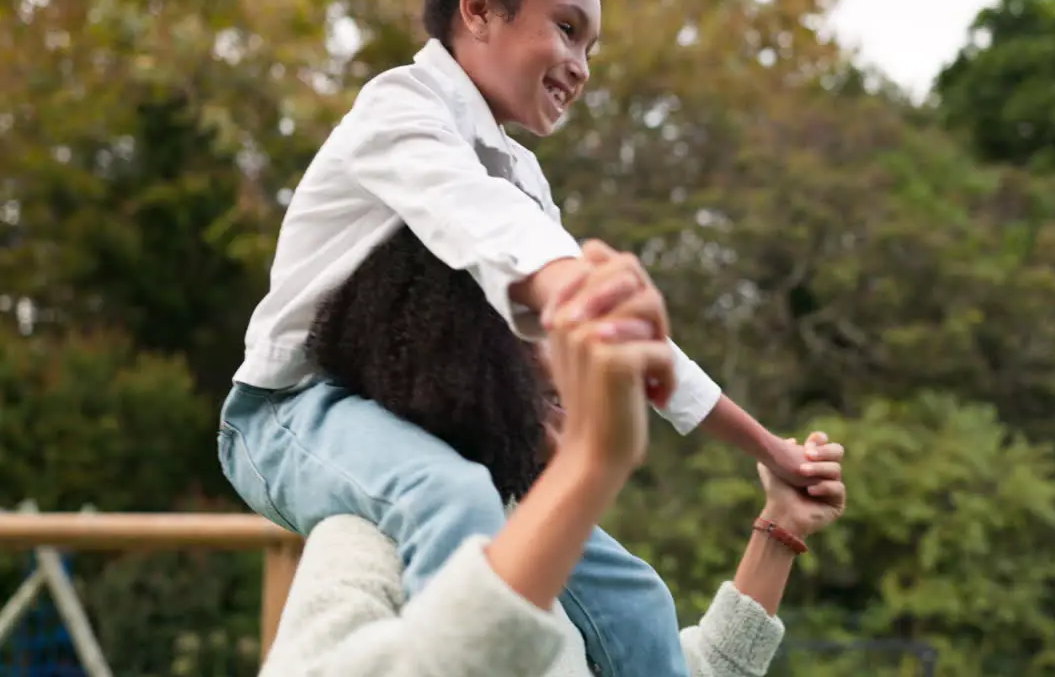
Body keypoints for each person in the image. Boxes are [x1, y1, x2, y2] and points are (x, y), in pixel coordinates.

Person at [218, 0, 814, 674]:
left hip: (419, 419)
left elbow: (633, 344)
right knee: (452, 497)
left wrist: (766, 447)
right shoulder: (400, 109)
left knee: (638, 598)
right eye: (566, 31)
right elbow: (490, 229)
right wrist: (585, 301)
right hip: (289, 414)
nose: (580, 65)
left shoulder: (520, 171)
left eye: (591, 49)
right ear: (478, 11)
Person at [256, 235, 847, 676]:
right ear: (452, 360)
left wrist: (779, 530)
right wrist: (591, 462)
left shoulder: (534, 534)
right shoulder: (363, 542)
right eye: (530, 333)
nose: (565, 354)